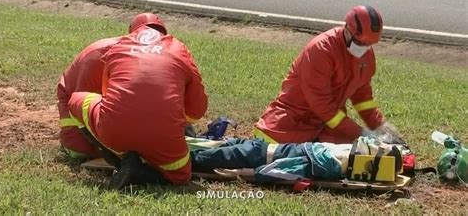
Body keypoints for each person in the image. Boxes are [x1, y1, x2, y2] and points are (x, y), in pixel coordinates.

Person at [67, 13, 208, 187]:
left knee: (75, 99)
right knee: (180, 178)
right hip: (166, 138)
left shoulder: (119, 46)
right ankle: (142, 173)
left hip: (115, 132)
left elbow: (107, 95)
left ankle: (121, 161)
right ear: (163, 31)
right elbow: (198, 110)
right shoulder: (179, 48)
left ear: (132, 31)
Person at [254, 5, 400, 144]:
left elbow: (362, 96)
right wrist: (361, 133)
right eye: (360, 43)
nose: (364, 49)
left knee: (354, 158)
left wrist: (380, 126)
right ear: (348, 30)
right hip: (291, 125)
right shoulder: (321, 50)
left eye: (369, 45)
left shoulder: (366, 54)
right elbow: (322, 106)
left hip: (326, 127)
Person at [190, 136, 403, 184]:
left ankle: (160, 161)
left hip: (254, 155)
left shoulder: (328, 164)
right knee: (206, 145)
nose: (379, 143)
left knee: (197, 158)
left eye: (382, 148)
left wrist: (241, 173)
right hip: (257, 147)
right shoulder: (346, 153)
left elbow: (281, 170)